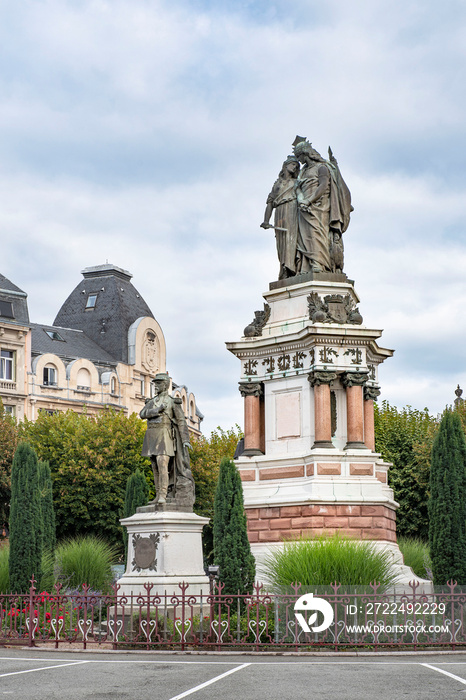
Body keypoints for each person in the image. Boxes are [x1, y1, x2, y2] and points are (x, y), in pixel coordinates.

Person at [292, 137, 352, 273]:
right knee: (305, 236)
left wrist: (309, 200)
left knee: (317, 234)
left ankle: (319, 264)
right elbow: (297, 187)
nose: (299, 160)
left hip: (319, 206)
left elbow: (324, 186)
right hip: (303, 207)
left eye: (299, 156)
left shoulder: (322, 167)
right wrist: (302, 199)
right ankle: (306, 265)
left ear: (306, 153)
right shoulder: (303, 171)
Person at [140, 373, 195, 508]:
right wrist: (157, 410)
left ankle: (163, 495)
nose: (156, 386)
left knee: (162, 463)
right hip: (152, 434)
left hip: (165, 435)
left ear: (165, 385)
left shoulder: (172, 402)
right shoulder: (152, 402)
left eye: (158, 383)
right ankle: (158, 495)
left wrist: (185, 440)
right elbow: (142, 414)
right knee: (155, 467)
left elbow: (181, 421)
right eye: (155, 383)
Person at [260, 156, 300, 279]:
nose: (295, 167)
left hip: (292, 209)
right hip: (279, 212)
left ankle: (290, 268)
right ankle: (283, 265)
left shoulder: (296, 182)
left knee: (291, 238)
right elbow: (270, 203)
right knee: (281, 241)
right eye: (293, 164)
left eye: (296, 166)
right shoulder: (277, 184)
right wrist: (266, 221)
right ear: (285, 166)